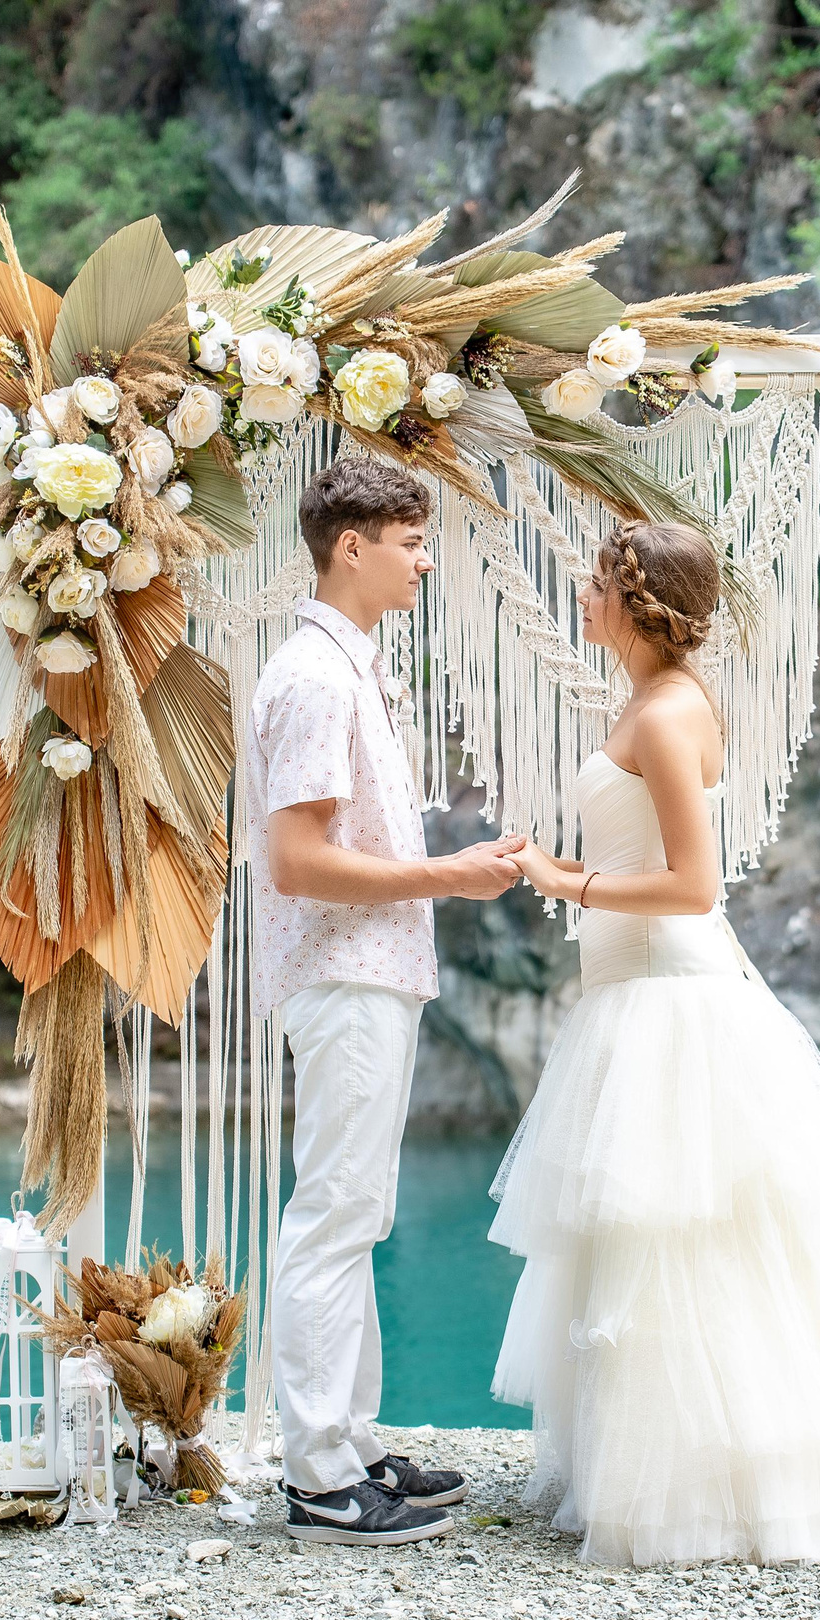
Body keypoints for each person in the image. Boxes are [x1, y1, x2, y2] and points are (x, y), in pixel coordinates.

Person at [490, 521, 820, 1565]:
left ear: (643, 602)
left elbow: (695, 884)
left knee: (683, 1237)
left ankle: (707, 1488)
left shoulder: (663, 712)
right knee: (653, 1241)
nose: (585, 597)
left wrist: (565, 879)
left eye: (600, 584)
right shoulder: (655, 700)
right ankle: (671, 1464)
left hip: (666, 990)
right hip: (636, 982)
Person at [249, 460, 526, 1546]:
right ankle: (319, 1474)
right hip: (344, 969)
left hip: (369, 971)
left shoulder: (346, 666)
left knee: (356, 1210)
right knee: (333, 1212)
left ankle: (351, 1441)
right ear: (351, 545)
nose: (424, 558)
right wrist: (447, 876)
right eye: (411, 541)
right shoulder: (315, 676)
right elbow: (299, 860)